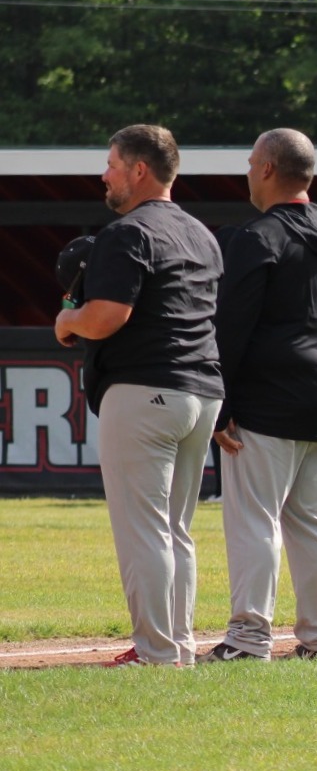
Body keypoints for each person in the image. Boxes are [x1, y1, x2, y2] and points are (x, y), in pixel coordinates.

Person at [55, 125, 224, 667]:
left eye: (111, 163)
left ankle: (156, 651)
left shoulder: (128, 232)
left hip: (146, 388)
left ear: (139, 171)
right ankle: (178, 644)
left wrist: (68, 319)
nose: (104, 174)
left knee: (146, 530)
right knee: (175, 529)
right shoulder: (202, 234)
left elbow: (107, 317)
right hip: (201, 392)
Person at [203, 129, 317, 661]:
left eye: (249, 162)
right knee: (314, 520)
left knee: (254, 518)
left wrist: (221, 403)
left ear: (266, 168)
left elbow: (231, 328)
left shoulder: (255, 237)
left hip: (268, 397)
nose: (246, 172)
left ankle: (248, 638)